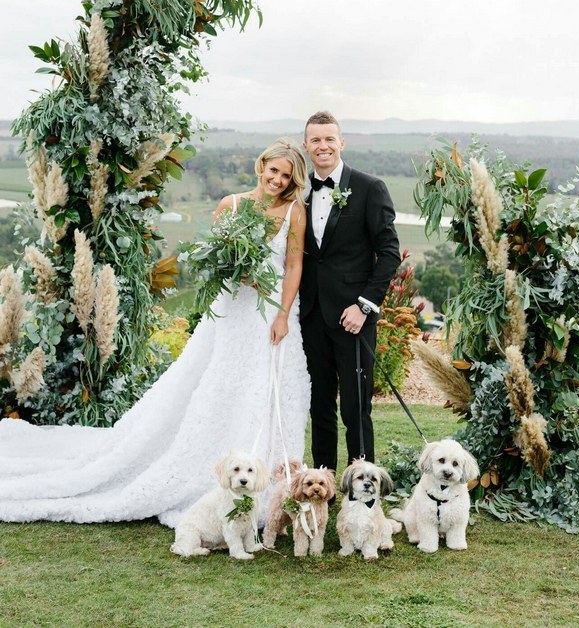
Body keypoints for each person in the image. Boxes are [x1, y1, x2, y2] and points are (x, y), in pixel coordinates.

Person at [0, 139, 310, 527]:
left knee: (270, 387)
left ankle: (271, 482)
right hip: (233, 308)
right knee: (220, 382)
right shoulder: (230, 205)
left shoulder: (294, 211)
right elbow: (213, 259)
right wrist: (237, 272)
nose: (277, 180)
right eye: (273, 170)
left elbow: (294, 266)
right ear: (261, 166)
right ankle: (216, 471)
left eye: (286, 175)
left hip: (273, 312)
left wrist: (281, 313)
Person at [300, 112, 400, 475]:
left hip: (353, 318)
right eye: (315, 140)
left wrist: (364, 306)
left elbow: (389, 252)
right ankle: (321, 490)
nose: (323, 146)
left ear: (341, 143)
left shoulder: (370, 187)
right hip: (310, 317)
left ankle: (363, 494)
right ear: (306, 146)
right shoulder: (301, 191)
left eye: (330, 139)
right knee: (320, 408)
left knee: (355, 409)